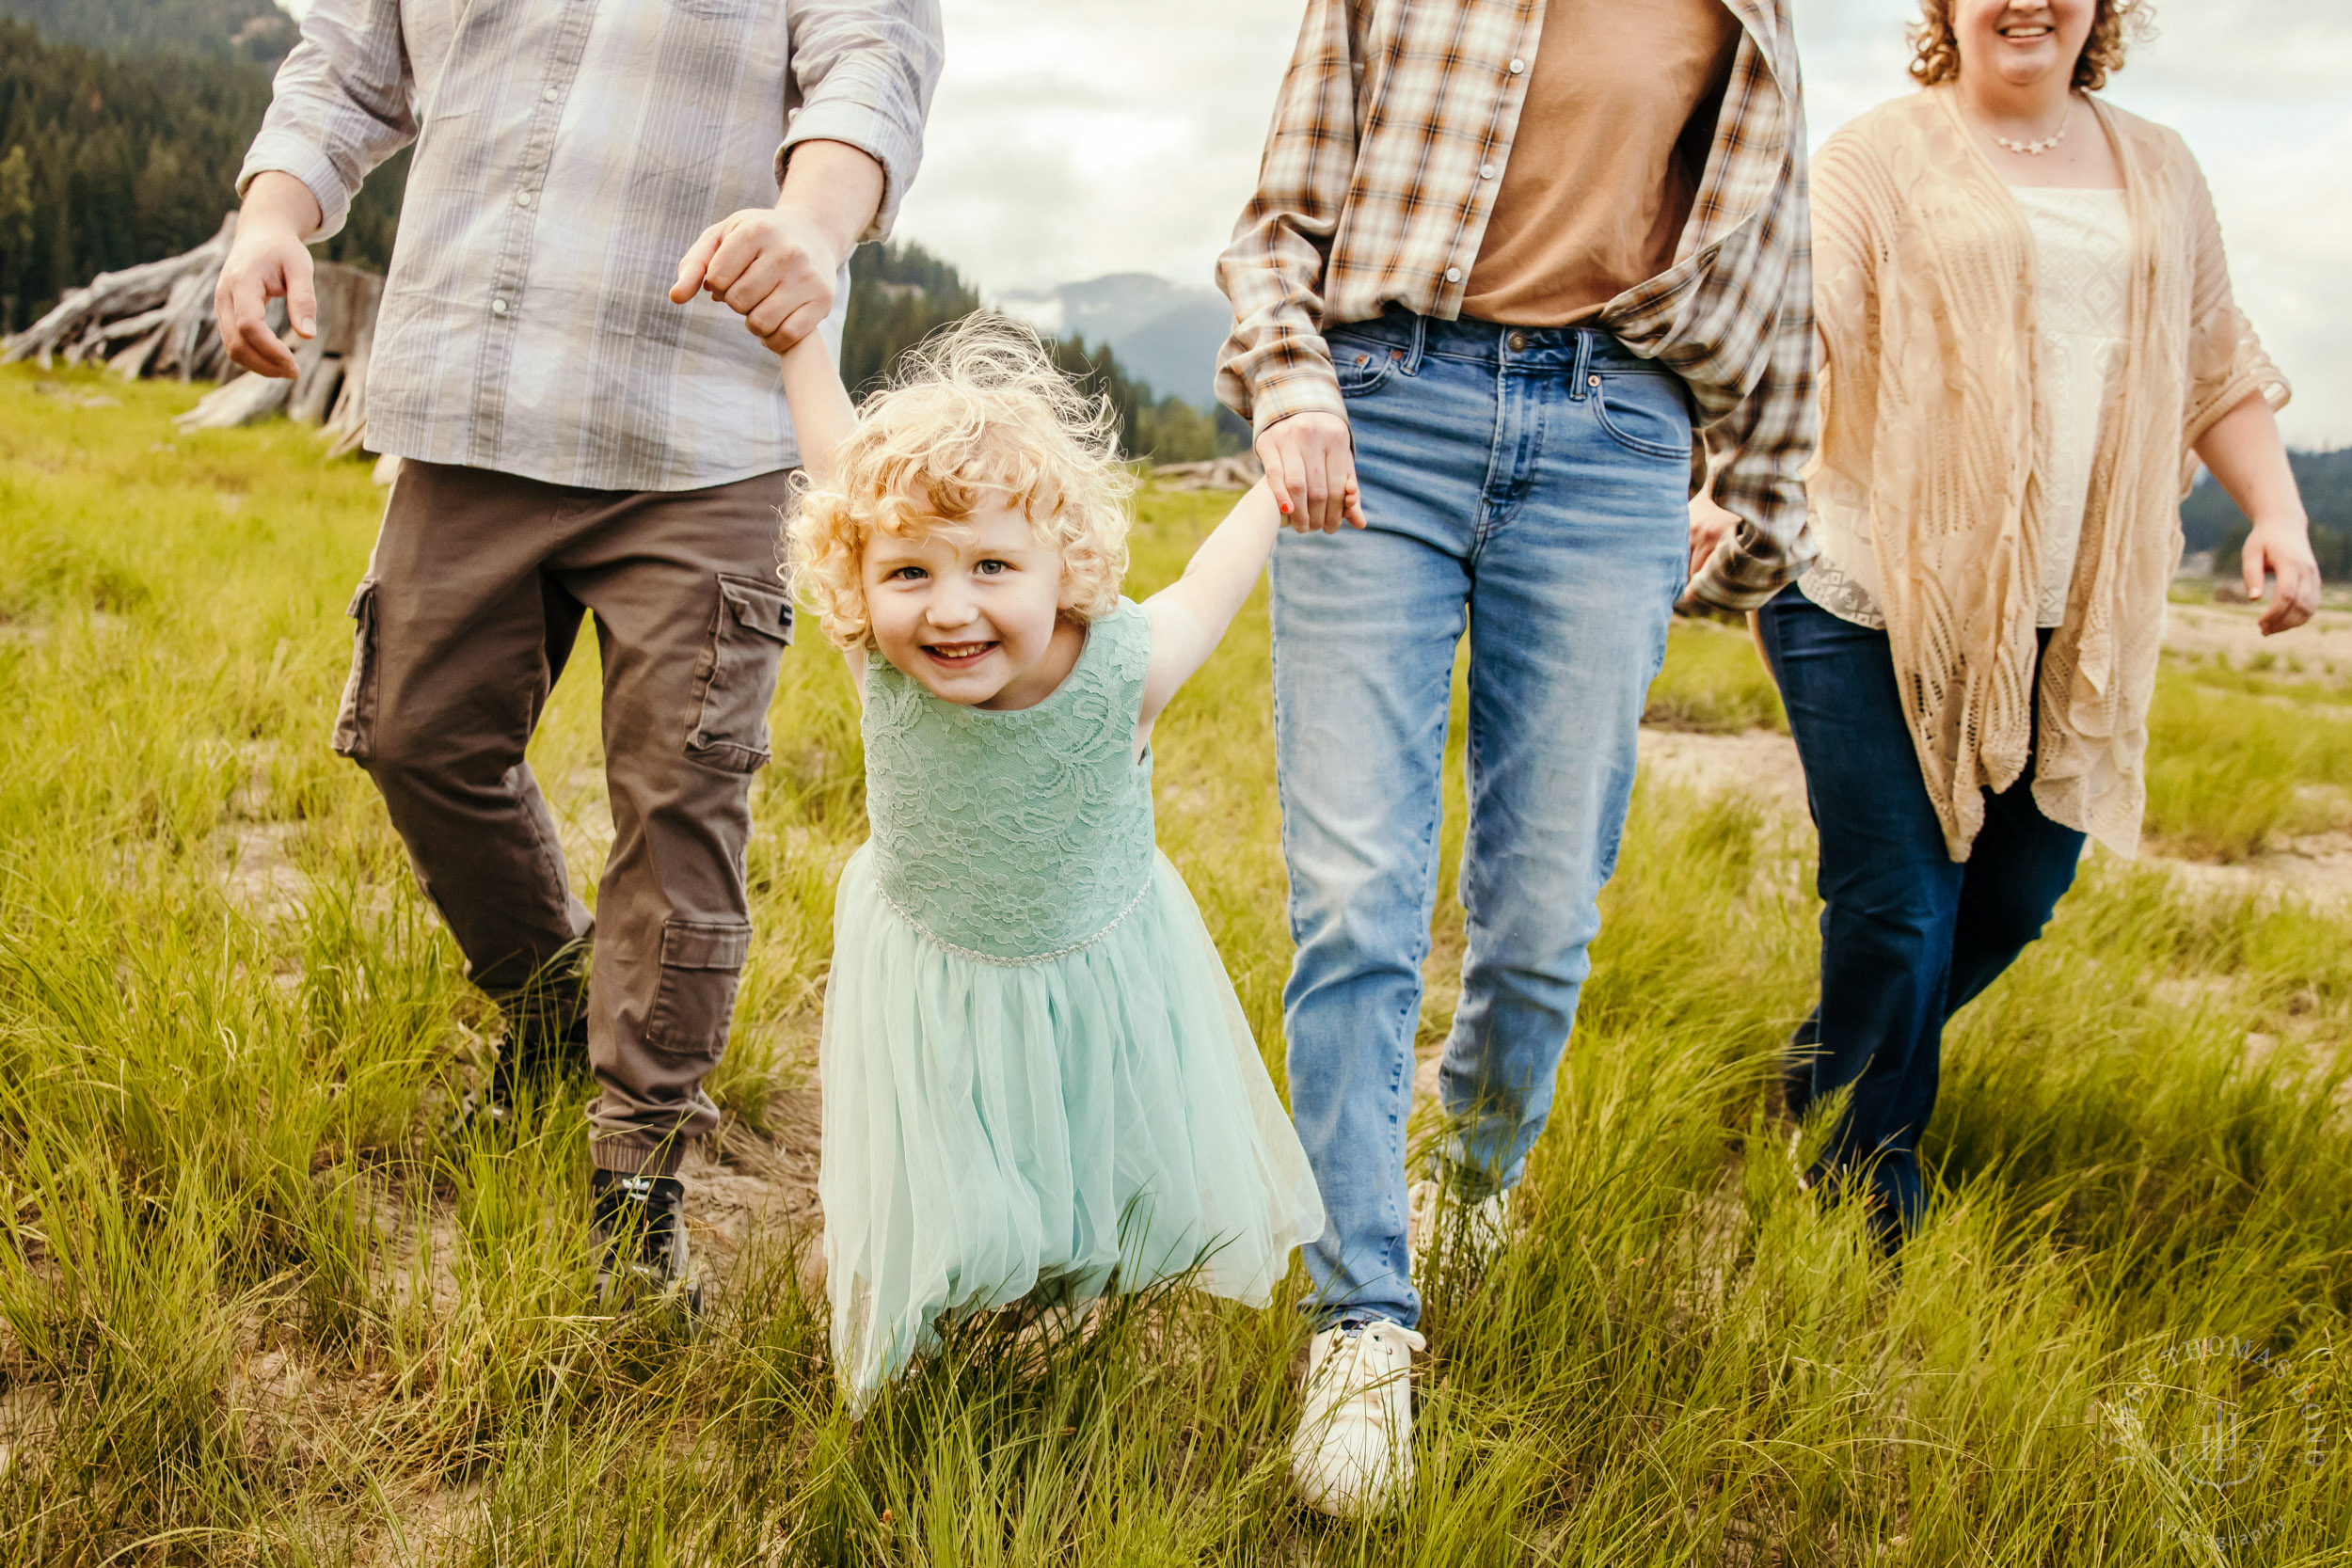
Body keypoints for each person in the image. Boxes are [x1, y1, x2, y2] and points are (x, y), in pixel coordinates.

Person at [214, 0, 943, 1303]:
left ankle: (637, 1171)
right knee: (414, 735)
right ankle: (553, 1004)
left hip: (703, 415)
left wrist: (814, 223)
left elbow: (872, 59)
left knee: (679, 801)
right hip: (468, 395)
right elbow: (347, 62)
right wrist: (273, 213)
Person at [1216, 0, 1817, 1517]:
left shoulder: (1747, 15)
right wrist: (1290, 380)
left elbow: (1773, 267)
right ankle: (1361, 1322)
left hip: (1618, 440)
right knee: (1356, 897)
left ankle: (1469, 1191)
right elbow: (1280, 214)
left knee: (1544, 914)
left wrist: (1753, 509)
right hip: (1386, 407)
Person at [1749, 0, 2322, 1248]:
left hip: (2074, 610)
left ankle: (1813, 1077)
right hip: (1867, 590)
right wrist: (1718, 479)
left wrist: (2275, 512)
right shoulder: (1878, 155)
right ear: (1944, 9)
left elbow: (2215, 359)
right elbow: (1806, 335)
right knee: (1900, 902)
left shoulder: (2159, 165)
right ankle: (1863, 1205)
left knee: (2014, 892)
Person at [773, 318, 1327, 1402]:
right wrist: (798, 344)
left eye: (990, 564)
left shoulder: (1128, 668)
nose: (948, 606)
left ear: (1061, 563)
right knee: (925, 1174)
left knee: (1078, 1168)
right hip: (929, 972)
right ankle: (894, 1289)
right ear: (857, 574)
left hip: (1089, 968)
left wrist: (1276, 481)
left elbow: (1211, 580)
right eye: (907, 569)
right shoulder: (878, 656)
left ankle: (1052, 1316)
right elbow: (836, 463)